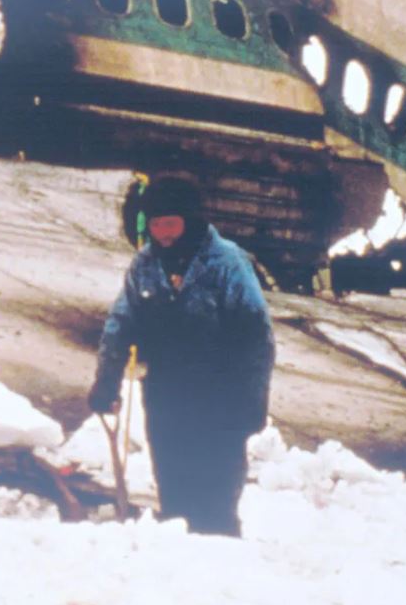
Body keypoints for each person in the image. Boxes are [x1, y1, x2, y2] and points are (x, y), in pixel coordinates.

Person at [87, 175, 274, 535]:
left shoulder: (226, 263)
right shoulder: (145, 265)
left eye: (171, 223)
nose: (164, 234)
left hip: (219, 395)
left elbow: (257, 337)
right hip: (166, 391)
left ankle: (219, 548)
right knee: (172, 483)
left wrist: (253, 400)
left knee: (215, 491)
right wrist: (106, 381)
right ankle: (176, 554)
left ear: (191, 220)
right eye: (156, 224)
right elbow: (120, 324)